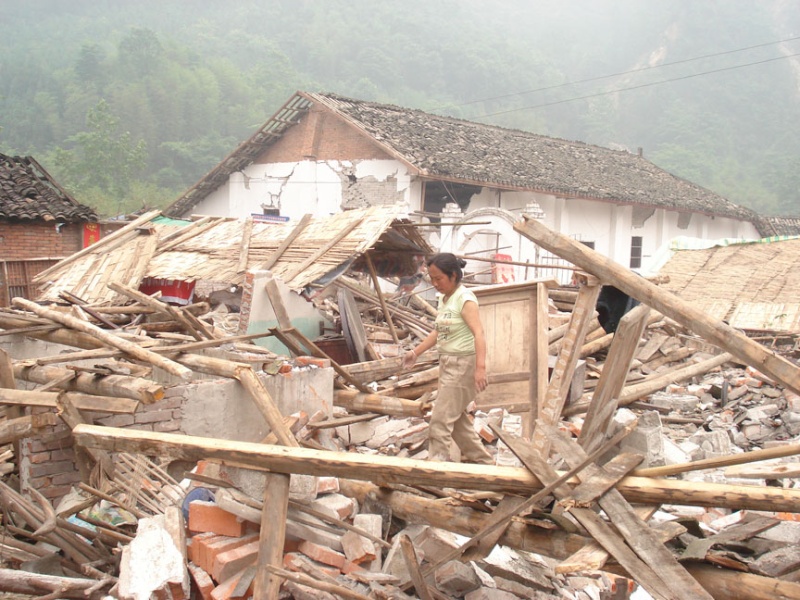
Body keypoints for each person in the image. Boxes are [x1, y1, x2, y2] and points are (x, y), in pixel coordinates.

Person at [403, 253, 494, 464]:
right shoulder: (445, 299)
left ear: (453, 275)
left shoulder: (465, 299)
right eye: (432, 279)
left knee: (440, 420)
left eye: (439, 279)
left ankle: (437, 470)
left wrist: (480, 367)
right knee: (458, 420)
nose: (435, 284)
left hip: (463, 365)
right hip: (447, 364)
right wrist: (416, 352)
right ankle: (485, 464)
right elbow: (438, 332)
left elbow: (478, 333)